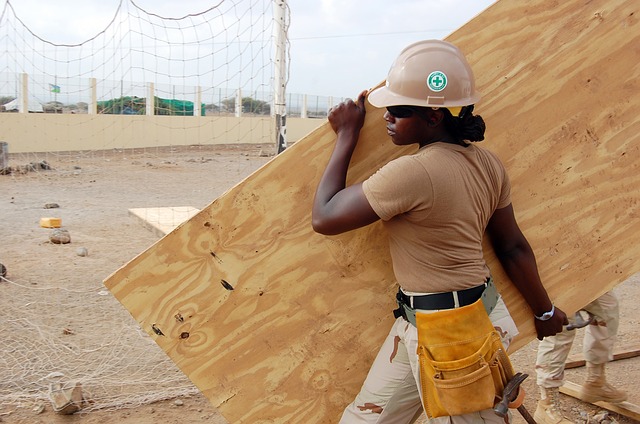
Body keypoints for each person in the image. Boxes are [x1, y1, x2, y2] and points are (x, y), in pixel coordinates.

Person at [312, 39, 568, 424]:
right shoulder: (487, 163)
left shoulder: (412, 173)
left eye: (398, 111)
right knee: (364, 419)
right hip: (438, 321)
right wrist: (544, 310)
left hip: (456, 336)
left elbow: (325, 217)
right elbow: (512, 246)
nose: (387, 119)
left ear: (434, 117)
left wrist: (347, 134)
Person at [534, 291, 627, 424]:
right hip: (560, 278)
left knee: (607, 308)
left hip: (586, 273)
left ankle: (596, 381)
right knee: (560, 327)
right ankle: (547, 405)